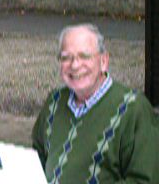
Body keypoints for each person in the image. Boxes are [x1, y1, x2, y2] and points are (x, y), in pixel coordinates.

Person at [32, 24, 159, 183]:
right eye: (66, 57)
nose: (75, 65)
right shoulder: (54, 101)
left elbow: (145, 180)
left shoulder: (134, 109)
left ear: (104, 61)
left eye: (84, 56)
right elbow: (35, 158)